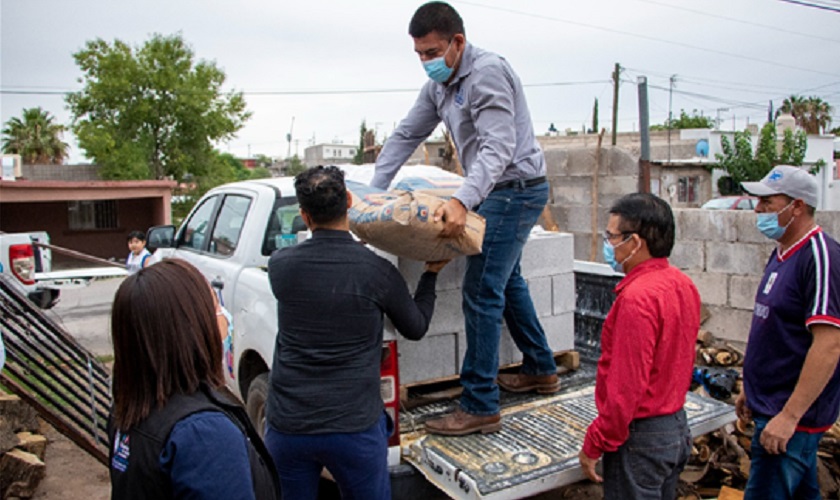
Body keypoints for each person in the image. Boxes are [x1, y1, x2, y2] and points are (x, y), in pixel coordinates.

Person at [371, 1, 559, 436]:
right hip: (498, 189)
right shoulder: (440, 86)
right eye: (419, 54)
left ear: (458, 41)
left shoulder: (487, 73)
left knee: (481, 288)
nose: (426, 62)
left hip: (515, 191)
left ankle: (479, 404)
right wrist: (373, 191)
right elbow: (406, 134)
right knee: (506, 280)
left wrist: (463, 201)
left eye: (433, 52)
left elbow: (498, 148)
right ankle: (541, 368)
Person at [265, 166, 447, 499]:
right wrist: (430, 275)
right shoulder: (377, 271)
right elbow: (416, 326)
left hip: (289, 427)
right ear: (349, 200)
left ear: (304, 216)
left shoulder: (280, 266)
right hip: (354, 428)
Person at [108, 258, 280, 500]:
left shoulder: (128, 408)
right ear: (190, 327)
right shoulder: (204, 434)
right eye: (215, 307)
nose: (223, 317)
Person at [578, 193, 700, 499]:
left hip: (641, 439)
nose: (609, 245)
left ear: (634, 242)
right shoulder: (682, 284)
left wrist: (596, 440)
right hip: (675, 428)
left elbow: (626, 388)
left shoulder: (637, 299)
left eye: (612, 237)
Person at [737, 165, 840, 499]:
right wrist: (750, 389)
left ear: (796, 205)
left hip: (788, 422)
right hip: (771, 409)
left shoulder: (820, 257)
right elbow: (773, 329)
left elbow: (829, 346)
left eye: (767, 202)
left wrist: (789, 416)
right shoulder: (782, 253)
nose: (758, 209)